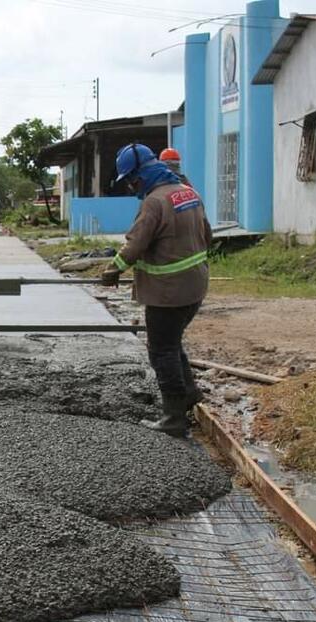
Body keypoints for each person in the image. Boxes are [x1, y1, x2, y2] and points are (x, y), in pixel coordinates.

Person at [101, 143, 212, 438]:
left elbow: (135, 243)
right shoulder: (188, 193)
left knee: (161, 350)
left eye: (132, 180)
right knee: (172, 342)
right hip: (195, 286)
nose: (132, 186)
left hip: (168, 292)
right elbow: (208, 233)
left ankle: (174, 417)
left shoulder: (154, 202)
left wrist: (112, 270)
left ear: (142, 174)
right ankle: (189, 394)